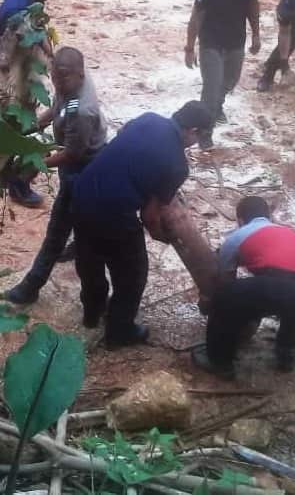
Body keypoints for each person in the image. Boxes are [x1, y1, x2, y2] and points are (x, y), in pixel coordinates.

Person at [70, 101, 214, 348]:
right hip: (114, 213)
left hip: (81, 194)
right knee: (133, 273)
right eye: (200, 137)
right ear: (194, 131)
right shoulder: (178, 166)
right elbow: (149, 216)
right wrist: (162, 236)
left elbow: (124, 135)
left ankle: (92, 312)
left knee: (90, 260)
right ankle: (120, 330)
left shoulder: (149, 118)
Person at [5, 47, 108, 305]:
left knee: (56, 232)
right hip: (74, 161)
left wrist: (34, 163)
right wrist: (32, 127)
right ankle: (78, 242)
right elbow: (58, 107)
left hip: (83, 169)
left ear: (79, 74)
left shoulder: (83, 110)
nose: (57, 82)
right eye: (54, 76)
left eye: (63, 77)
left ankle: (32, 285)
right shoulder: (69, 89)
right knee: (83, 225)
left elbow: (72, 154)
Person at [191, 196, 295, 380]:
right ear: (268, 216)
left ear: (240, 220)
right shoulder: (286, 231)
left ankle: (219, 360)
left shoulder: (236, 238)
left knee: (224, 297)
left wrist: (210, 301)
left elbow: (226, 282)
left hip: (286, 287)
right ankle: (287, 351)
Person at [0, 0, 65, 208]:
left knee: (20, 124)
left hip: (25, 72)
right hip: (13, 77)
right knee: (21, 128)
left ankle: (7, 172)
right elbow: (15, 49)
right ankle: (17, 185)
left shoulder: (33, 1)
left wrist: (52, 56)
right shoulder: (16, 11)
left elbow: (40, 31)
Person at [185, 0, 260, 149]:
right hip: (212, 42)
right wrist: (190, 48)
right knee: (212, 87)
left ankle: (217, 107)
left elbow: (253, 5)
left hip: (236, 41)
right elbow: (197, 16)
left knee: (230, 82)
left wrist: (256, 34)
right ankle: (204, 131)